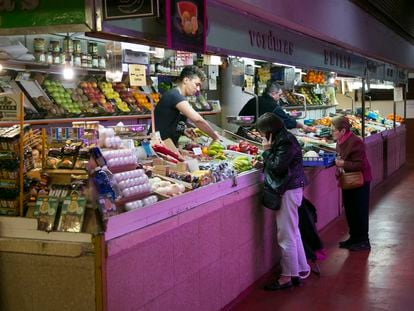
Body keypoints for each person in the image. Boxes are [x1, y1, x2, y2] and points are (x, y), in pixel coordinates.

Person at [257, 112, 310, 290]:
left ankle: (286, 277)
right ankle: (300, 269)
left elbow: (278, 166)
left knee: (285, 234)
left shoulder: (285, 141)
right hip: (292, 188)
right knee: (293, 232)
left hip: (288, 190)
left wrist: (266, 152)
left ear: (269, 131)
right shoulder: (285, 138)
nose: (261, 135)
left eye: (261, 131)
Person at [332, 116, 372, 251]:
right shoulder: (340, 141)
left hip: (360, 180)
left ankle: (363, 241)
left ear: (343, 131)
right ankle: (354, 237)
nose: (331, 132)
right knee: (350, 210)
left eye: (333, 130)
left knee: (359, 211)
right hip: (347, 180)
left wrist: (342, 163)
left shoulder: (355, 142)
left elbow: (359, 164)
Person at [153, 65, 220, 144]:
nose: (198, 89)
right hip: (157, 145)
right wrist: (215, 137)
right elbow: (198, 120)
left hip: (166, 144)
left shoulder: (177, 95)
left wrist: (183, 130)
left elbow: (168, 121)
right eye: (197, 84)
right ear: (186, 80)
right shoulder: (175, 95)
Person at [239, 81, 313, 132]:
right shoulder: (273, 106)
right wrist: (303, 126)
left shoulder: (254, 99)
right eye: (279, 95)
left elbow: (241, 117)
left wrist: (252, 123)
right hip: (260, 137)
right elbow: (288, 122)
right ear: (274, 93)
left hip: (244, 132)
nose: (280, 97)